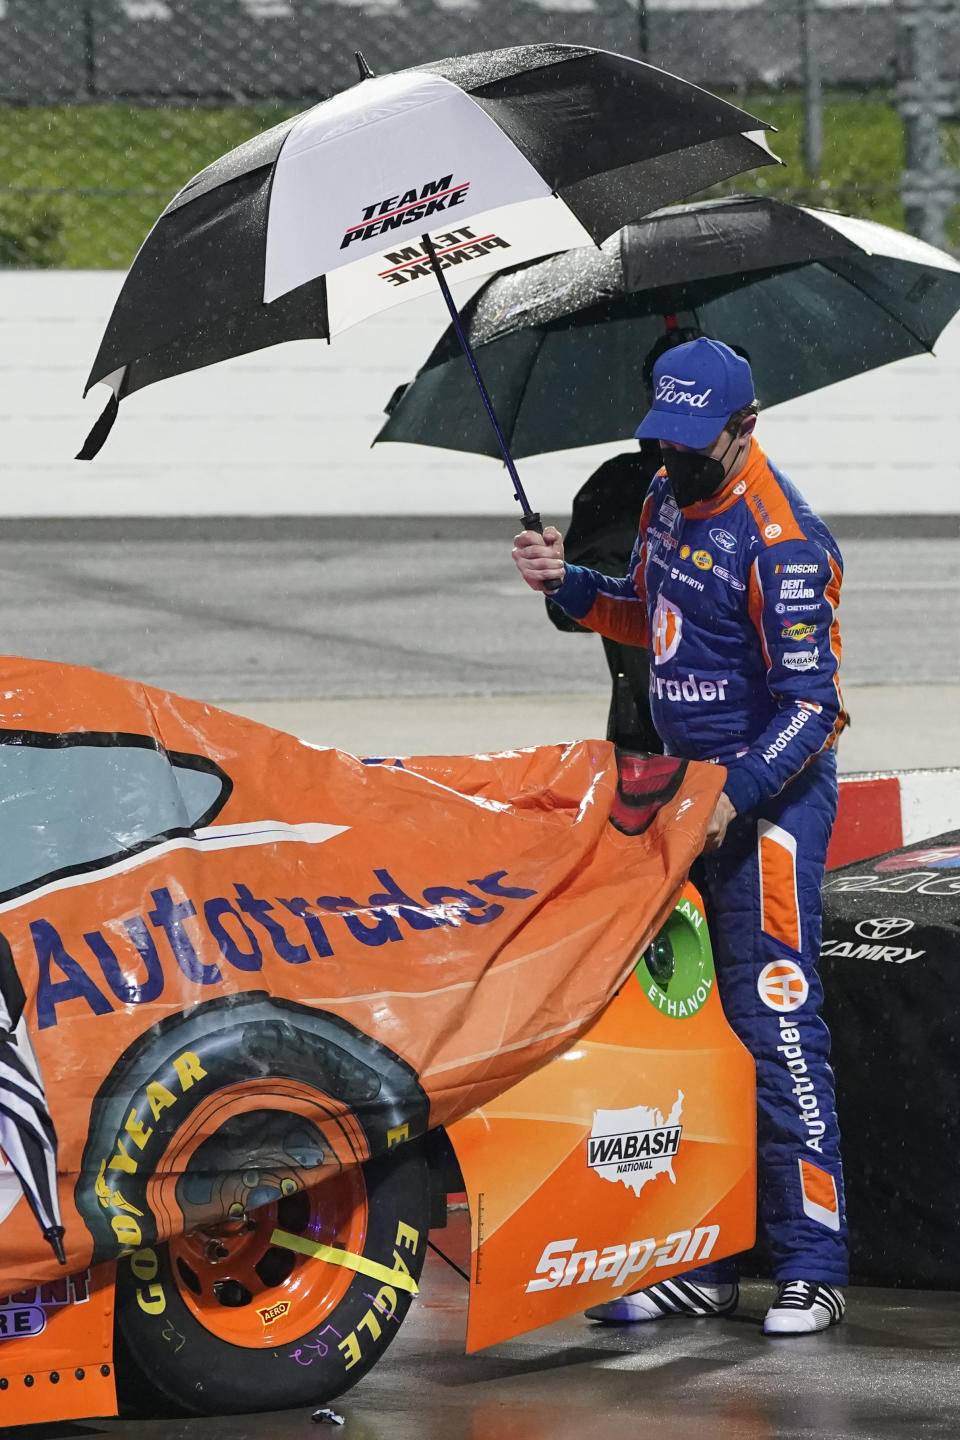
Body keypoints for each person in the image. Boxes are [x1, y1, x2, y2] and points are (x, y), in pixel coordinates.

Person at [512, 337, 848, 1336]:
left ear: (746, 428)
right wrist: (566, 585)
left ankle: (814, 1262)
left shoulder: (786, 541)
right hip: (674, 801)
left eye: (696, 444)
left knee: (775, 1022)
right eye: (665, 440)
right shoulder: (661, 500)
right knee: (683, 1030)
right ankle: (699, 1260)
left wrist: (734, 795)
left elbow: (814, 708)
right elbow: (643, 619)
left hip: (769, 808)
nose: (676, 460)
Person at [544, 327, 703, 753]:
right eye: (670, 389)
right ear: (650, 396)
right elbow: (568, 611)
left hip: (747, 726)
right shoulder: (617, 487)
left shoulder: (752, 491)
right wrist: (564, 579)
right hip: (646, 728)